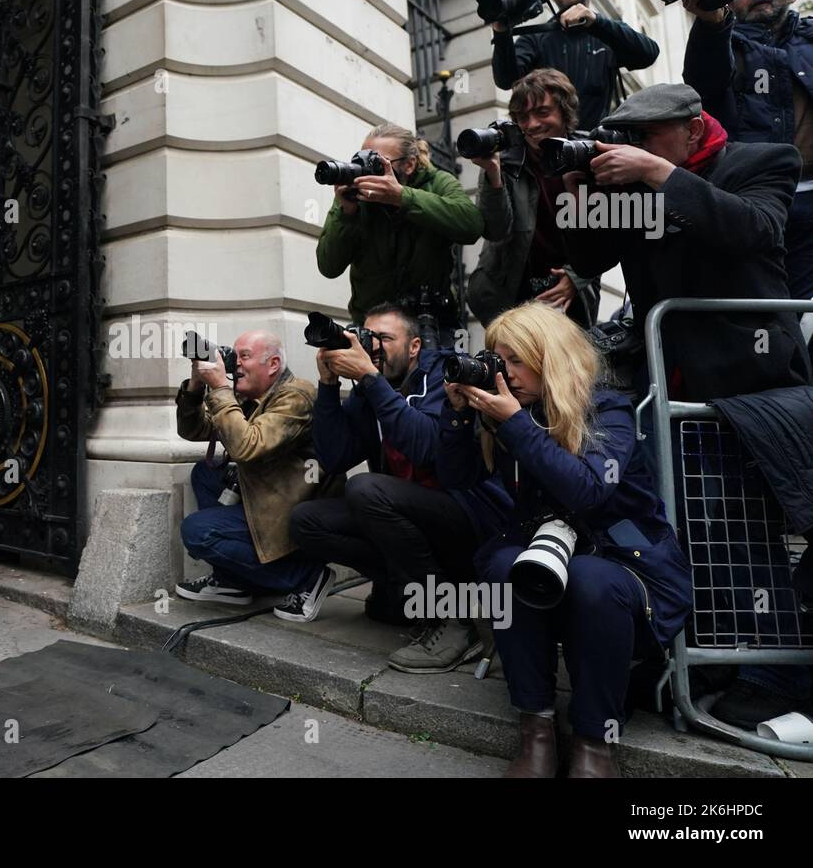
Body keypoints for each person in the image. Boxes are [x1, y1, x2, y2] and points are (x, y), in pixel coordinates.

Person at [439, 302, 691, 778]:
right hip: (545, 567)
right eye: (498, 359)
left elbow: (588, 491)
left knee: (587, 578)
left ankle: (595, 743)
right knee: (501, 566)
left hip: (625, 571)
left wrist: (514, 424)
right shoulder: (511, 413)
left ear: (551, 357)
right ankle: (535, 731)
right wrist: (456, 416)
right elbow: (456, 477)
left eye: (517, 360)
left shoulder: (608, 409)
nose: (505, 373)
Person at [288, 304, 511, 672]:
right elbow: (335, 456)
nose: (374, 347)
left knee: (365, 489)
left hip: (465, 515)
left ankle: (454, 619)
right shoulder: (366, 390)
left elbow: (428, 448)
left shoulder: (444, 373)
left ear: (414, 346)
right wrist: (329, 386)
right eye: (369, 337)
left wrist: (371, 381)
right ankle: (405, 587)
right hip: (406, 516)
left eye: (385, 339)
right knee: (307, 521)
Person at [560, 83, 811, 402]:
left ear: (693, 130)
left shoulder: (764, 160)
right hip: (663, 373)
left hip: (751, 371)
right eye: (627, 135)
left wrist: (658, 173)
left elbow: (755, 229)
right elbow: (590, 262)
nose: (635, 146)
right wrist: (581, 201)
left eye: (645, 134)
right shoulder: (633, 187)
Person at [682, 0, 813, 344]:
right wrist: (709, 19)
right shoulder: (719, 38)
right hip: (747, 208)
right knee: (764, 329)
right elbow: (702, 85)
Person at [175, 331, 338, 621]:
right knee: (204, 473)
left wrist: (221, 389)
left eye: (244, 357)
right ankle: (232, 580)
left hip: (295, 508)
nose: (235, 364)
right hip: (266, 494)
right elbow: (192, 430)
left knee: (196, 531)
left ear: (273, 364)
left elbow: (246, 447)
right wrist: (197, 384)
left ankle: (304, 576)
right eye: (233, 356)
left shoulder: (297, 396)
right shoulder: (252, 396)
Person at [316, 123, 483, 342]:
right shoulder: (354, 196)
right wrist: (347, 212)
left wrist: (402, 197)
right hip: (374, 325)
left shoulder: (437, 183)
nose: (368, 169)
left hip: (430, 324)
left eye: (379, 162)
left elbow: (471, 226)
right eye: (364, 159)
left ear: (409, 165)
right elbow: (328, 266)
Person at [468, 68, 601, 329]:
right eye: (522, 117)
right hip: (511, 296)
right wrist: (492, 172)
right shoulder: (506, 159)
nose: (531, 125)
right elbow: (495, 231)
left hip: (569, 294)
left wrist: (577, 277)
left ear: (565, 112)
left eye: (542, 112)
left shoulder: (590, 155)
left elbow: (608, 231)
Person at [490, 0, 660, 130]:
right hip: (546, 146)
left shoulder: (608, 32)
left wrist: (596, 22)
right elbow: (506, 79)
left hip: (594, 147)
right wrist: (501, 32)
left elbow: (648, 54)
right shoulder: (535, 39)